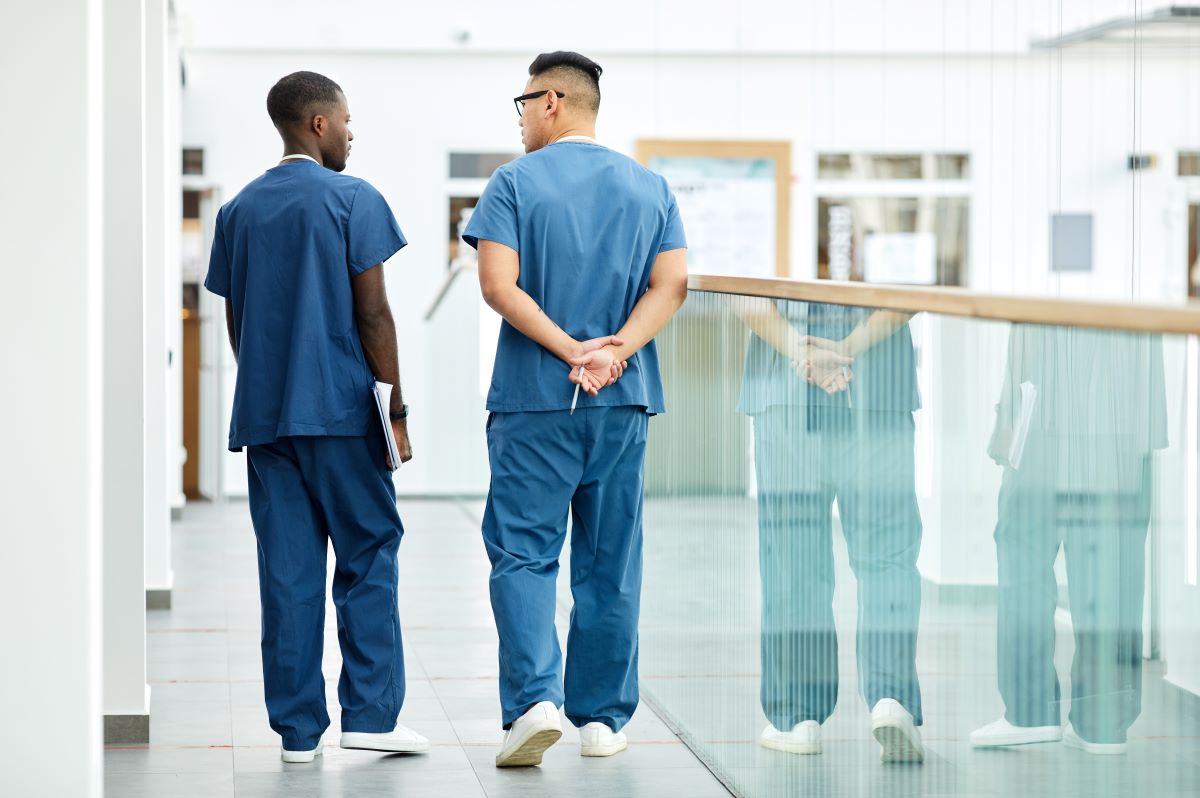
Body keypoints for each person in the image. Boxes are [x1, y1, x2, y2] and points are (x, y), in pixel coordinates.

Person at [461, 51, 688, 767]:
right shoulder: (650, 188)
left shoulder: (514, 184)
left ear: (553, 101)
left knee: (524, 553)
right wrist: (612, 353)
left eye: (524, 103)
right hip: (622, 400)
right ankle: (602, 720)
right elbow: (672, 285)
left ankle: (534, 702)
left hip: (535, 403)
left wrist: (570, 351)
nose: (522, 118)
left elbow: (499, 287)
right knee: (611, 559)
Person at [204, 70, 428, 763]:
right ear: (319, 124)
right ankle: (372, 718)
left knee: (289, 571)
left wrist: (274, 387)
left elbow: (238, 322)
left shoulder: (238, 211)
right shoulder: (352, 199)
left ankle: (298, 734)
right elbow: (372, 313)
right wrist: (394, 409)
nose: (353, 134)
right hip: (341, 414)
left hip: (269, 421)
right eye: (348, 121)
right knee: (367, 555)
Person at [737, 299, 927, 763]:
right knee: (888, 555)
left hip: (785, 393)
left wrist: (799, 352)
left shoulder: (774, 222)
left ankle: (798, 717)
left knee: (792, 561)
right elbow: (911, 288)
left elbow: (745, 291)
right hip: (877, 391)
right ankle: (891, 700)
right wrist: (847, 348)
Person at [971, 325, 1167, 755]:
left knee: (1024, 545)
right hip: (1120, 405)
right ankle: (1103, 721)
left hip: (1046, 398)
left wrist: (1008, 422)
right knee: (1110, 556)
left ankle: (1029, 711)